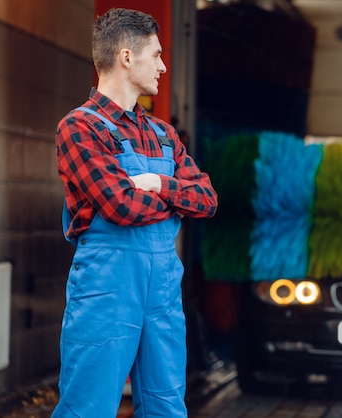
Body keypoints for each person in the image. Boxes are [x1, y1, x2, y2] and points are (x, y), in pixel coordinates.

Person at [52, 8, 218, 417]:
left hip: (162, 285)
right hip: (108, 285)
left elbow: (208, 199)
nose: (163, 66)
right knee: (87, 407)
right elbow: (121, 205)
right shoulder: (78, 128)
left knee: (166, 406)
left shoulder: (163, 133)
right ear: (126, 57)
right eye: (156, 55)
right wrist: (174, 201)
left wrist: (158, 185)